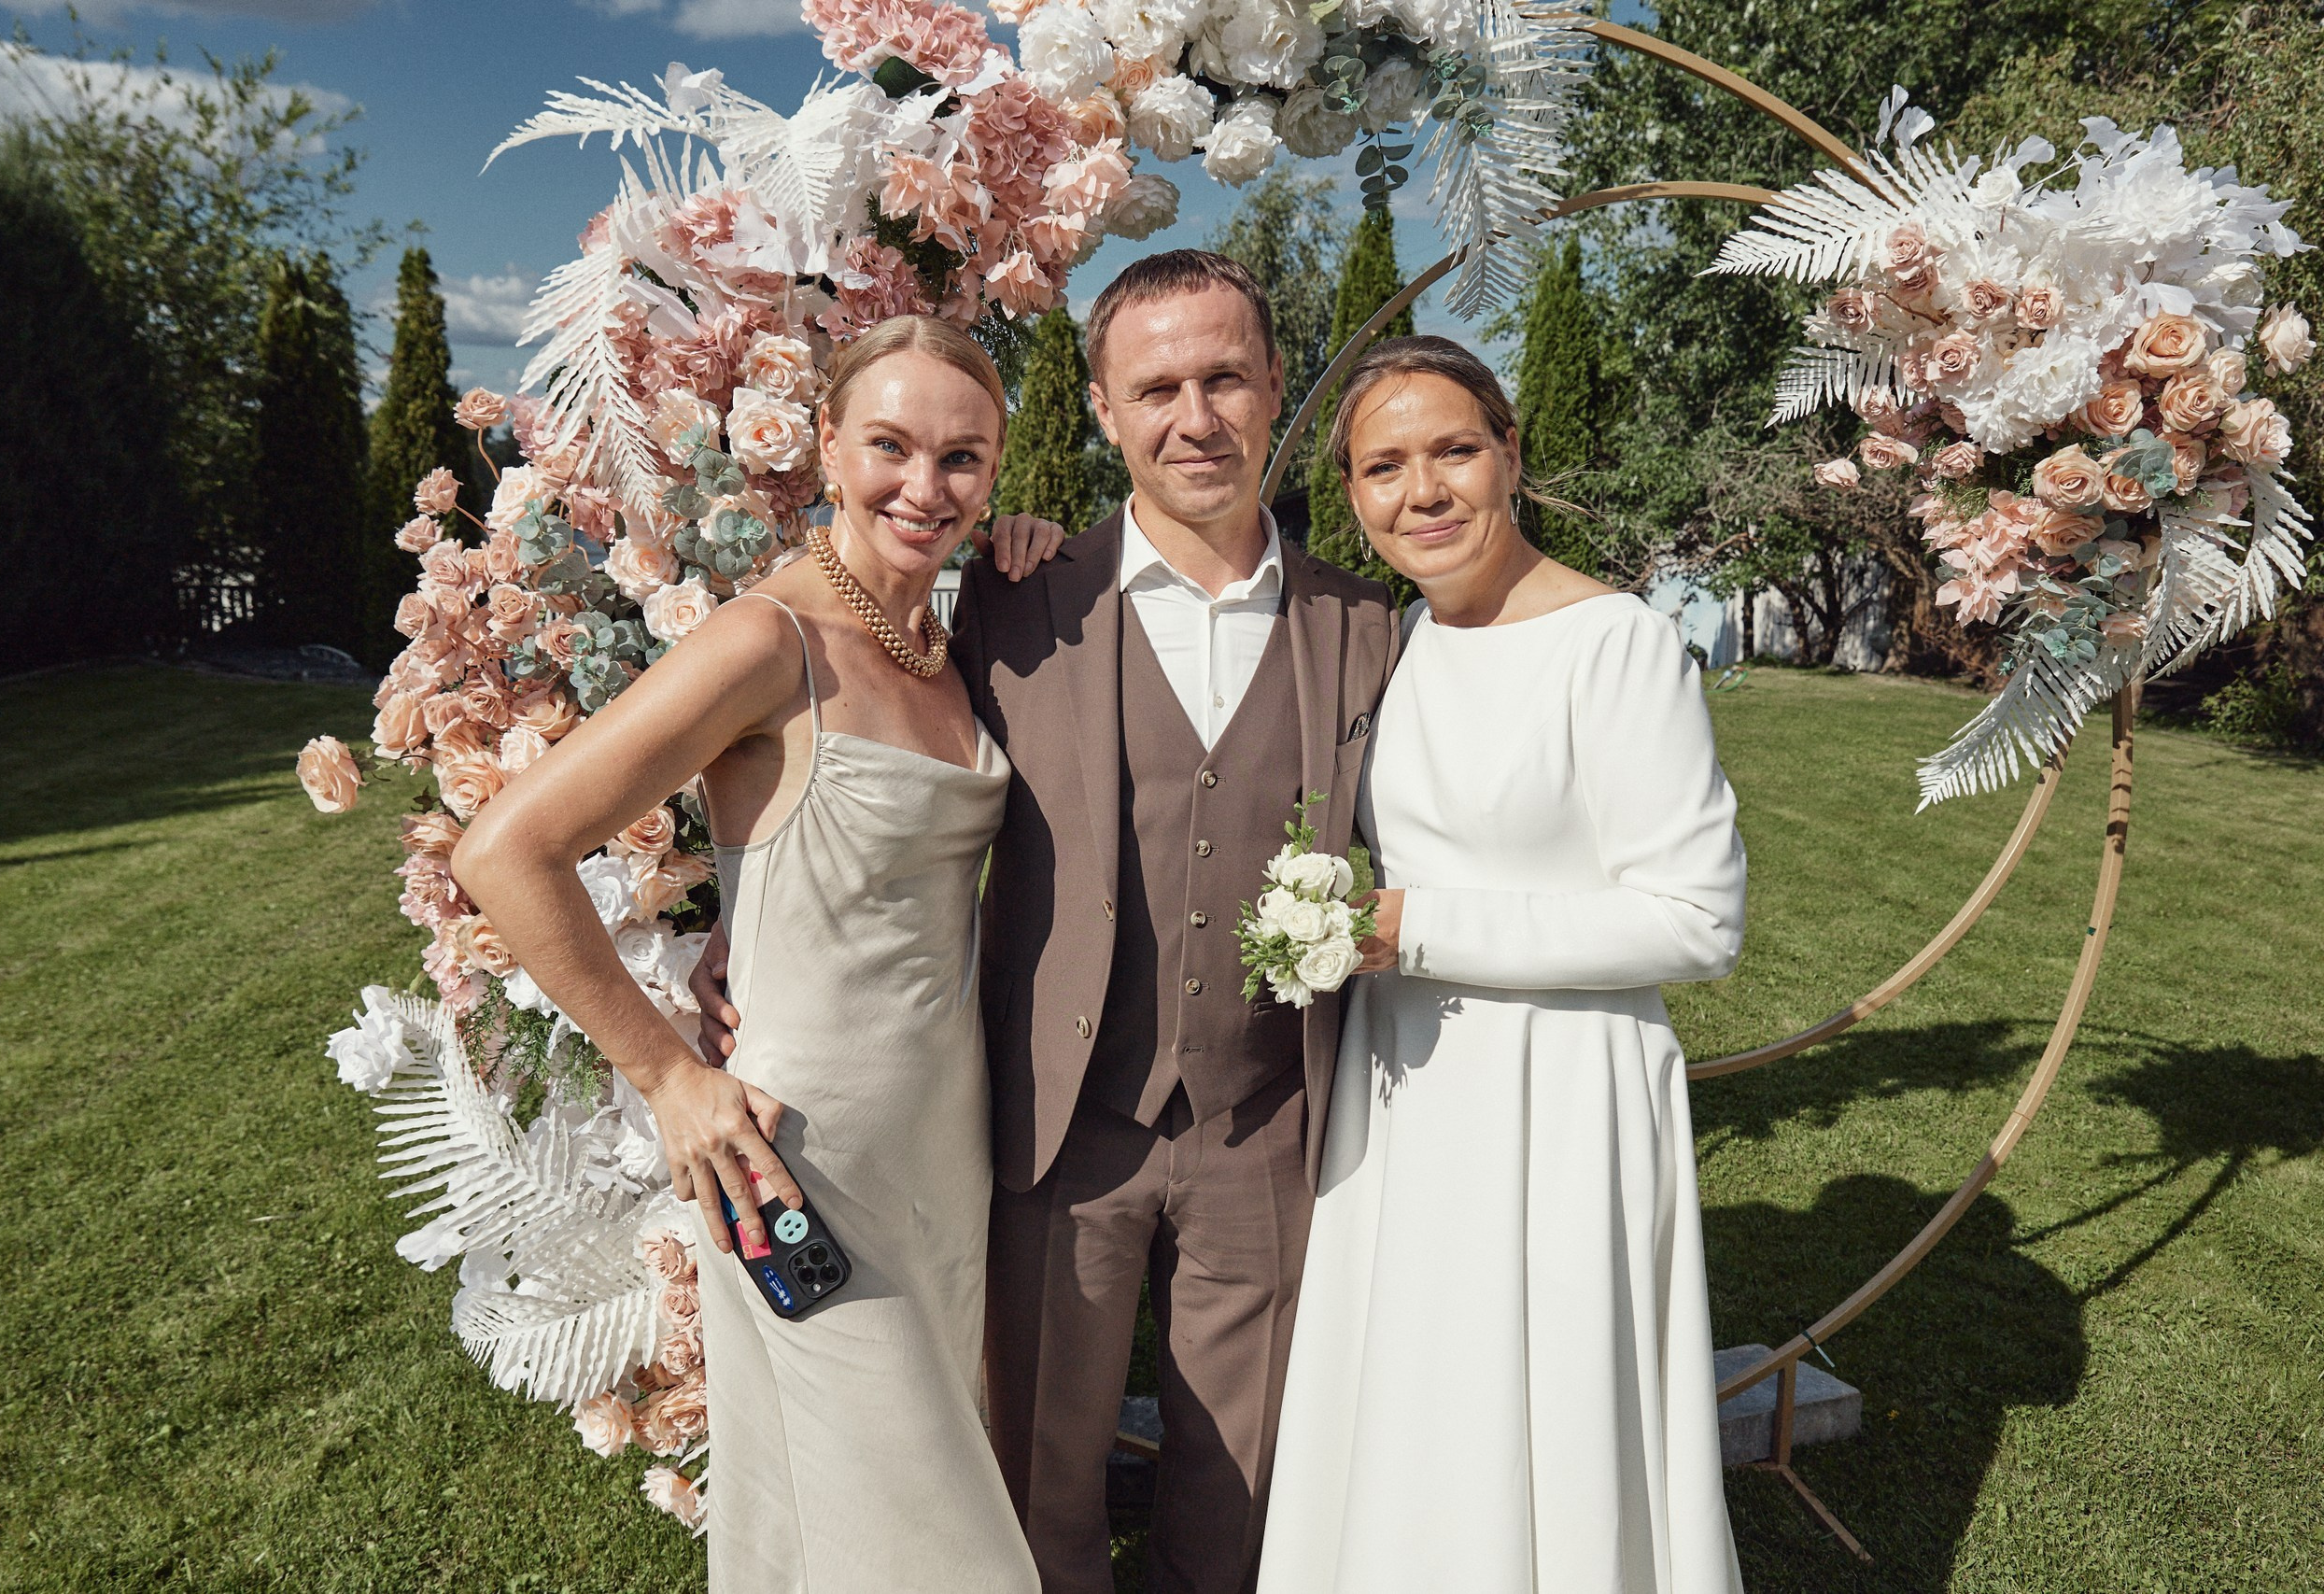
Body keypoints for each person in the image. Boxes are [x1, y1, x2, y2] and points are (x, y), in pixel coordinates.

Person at [695, 250, 1400, 1594]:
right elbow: (856, 777)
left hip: (1268, 1121)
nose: (1195, 416)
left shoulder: (1365, 629)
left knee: (1239, 1480)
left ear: (1273, 389)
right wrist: (747, 920)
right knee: (1034, 1476)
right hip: (1054, 1128)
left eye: (1226, 378)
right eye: (1157, 387)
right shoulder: (1011, 601)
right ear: (1102, 410)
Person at [451, 315, 1065, 1593]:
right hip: (798, 1165)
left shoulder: (948, 648)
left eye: (965, 458)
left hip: (942, 1154)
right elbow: (506, 852)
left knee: (862, 1521)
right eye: (890, 445)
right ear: (827, 445)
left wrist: (1035, 563)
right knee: (928, 1542)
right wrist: (671, 1076)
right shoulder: (764, 642)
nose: (925, 485)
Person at [1255, 337, 1748, 1594]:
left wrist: (1409, 929)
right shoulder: (1397, 641)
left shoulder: (1615, 644)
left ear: (1511, 456)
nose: (1422, 492)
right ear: (1354, 494)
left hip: (1561, 1095)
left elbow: (1700, 918)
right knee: (1419, 1399)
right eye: (1383, 467)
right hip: (1409, 1096)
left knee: (1544, 1412)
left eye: (1453, 452)